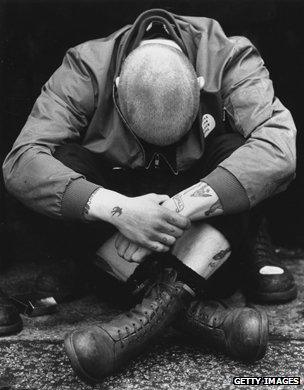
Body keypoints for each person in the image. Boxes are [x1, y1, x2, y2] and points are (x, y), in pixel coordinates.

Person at [2, 8, 297, 382]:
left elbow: (279, 148)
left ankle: (146, 311)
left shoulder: (230, 56)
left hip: (196, 216)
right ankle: (196, 311)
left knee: (238, 149)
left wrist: (176, 209)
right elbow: (22, 161)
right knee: (65, 160)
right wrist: (120, 210)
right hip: (124, 211)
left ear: (199, 82)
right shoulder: (84, 68)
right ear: (118, 87)